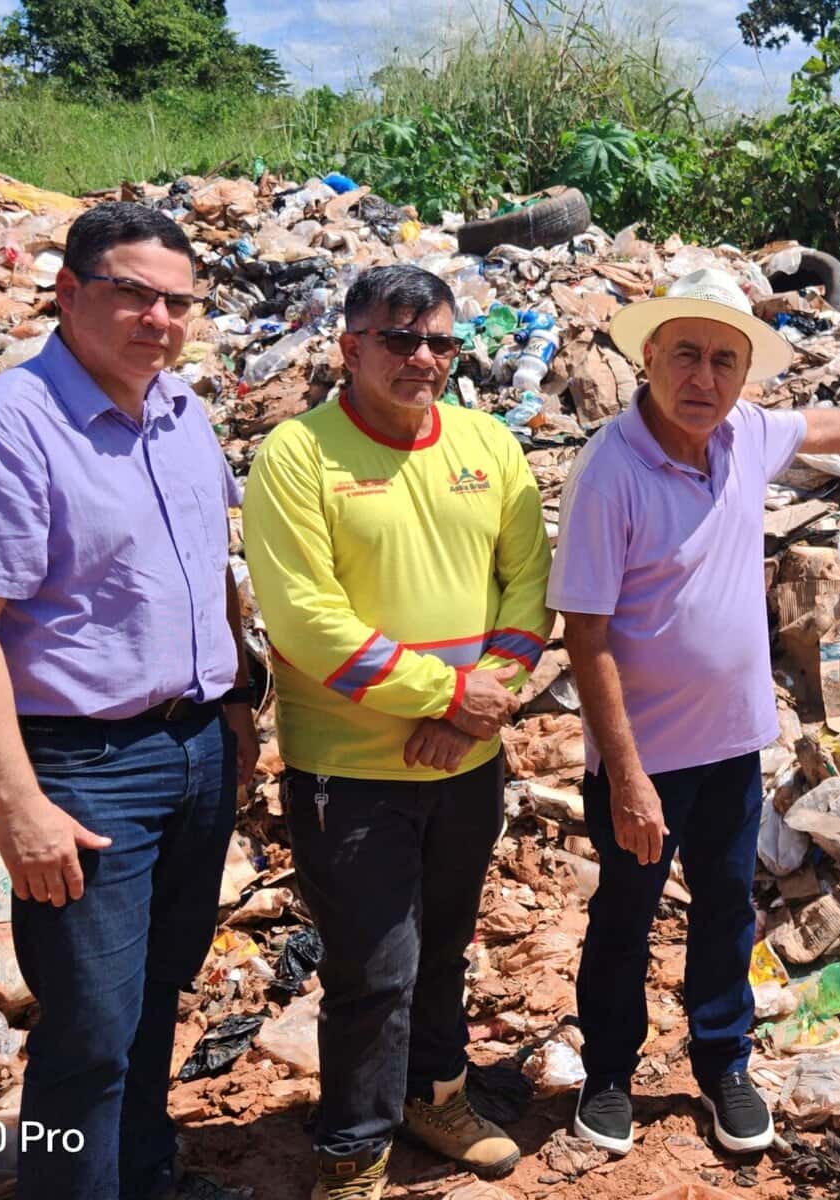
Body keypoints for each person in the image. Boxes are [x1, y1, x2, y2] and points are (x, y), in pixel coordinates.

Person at [549, 268, 840, 1157]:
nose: (703, 378)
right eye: (685, 355)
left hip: (733, 744)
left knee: (727, 909)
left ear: (742, 375)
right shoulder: (611, 472)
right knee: (624, 918)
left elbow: (815, 427)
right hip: (644, 760)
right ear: (648, 358)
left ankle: (723, 1064)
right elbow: (585, 632)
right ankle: (609, 1074)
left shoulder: (741, 434)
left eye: (723, 361)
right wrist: (626, 778)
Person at [0, 201, 259, 1200]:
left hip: (197, 748)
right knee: (90, 1030)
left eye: (178, 303)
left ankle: (142, 1174)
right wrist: (16, 804)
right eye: (133, 294)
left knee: (155, 999)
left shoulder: (181, 413)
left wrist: (236, 706)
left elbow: (211, 571)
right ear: (68, 292)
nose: (159, 320)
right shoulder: (5, 431)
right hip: (86, 771)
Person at [241, 265, 551, 1200]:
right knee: (372, 971)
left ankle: (435, 1098)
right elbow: (306, 620)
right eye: (399, 338)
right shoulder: (298, 456)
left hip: (467, 761)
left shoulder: (487, 443)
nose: (422, 358)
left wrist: (477, 707)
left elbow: (529, 585)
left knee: (446, 951)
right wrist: (445, 696)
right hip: (350, 769)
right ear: (350, 347)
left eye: (440, 342)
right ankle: (351, 1152)